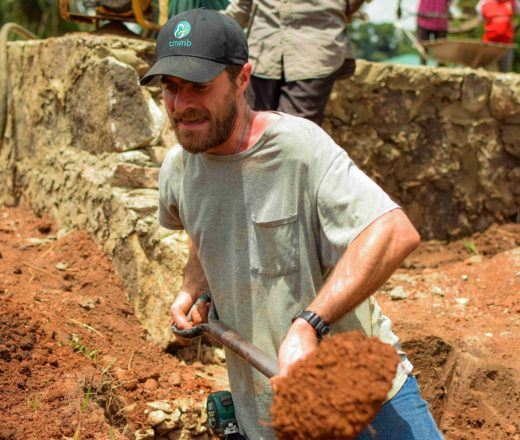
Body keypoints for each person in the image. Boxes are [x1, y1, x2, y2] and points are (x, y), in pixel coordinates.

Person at [140, 8, 443, 440]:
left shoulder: (298, 149)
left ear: (243, 79)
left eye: (199, 88)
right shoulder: (178, 169)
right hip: (270, 414)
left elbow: (394, 231)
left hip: (362, 396)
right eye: (170, 89)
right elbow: (204, 232)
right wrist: (193, 288)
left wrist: (308, 325)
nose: (182, 105)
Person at [222, 0, 366, 126]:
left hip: (314, 48)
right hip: (262, 49)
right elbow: (242, 8)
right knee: (248, 131)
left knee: (293, 136)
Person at [477, 0, 520, 72]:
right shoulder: (483, 3)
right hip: (489, 45)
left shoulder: (512, 2)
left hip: (506, 45)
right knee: (488, 72)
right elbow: (479, 20)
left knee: (505, 72)